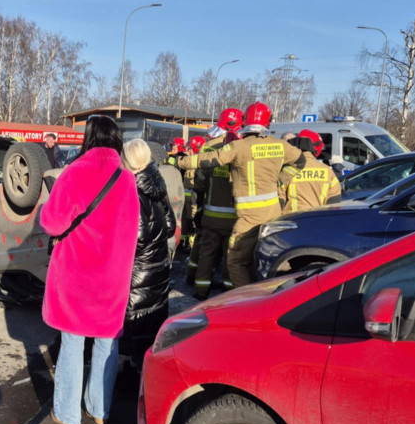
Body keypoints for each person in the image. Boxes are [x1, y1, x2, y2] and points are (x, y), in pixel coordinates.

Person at [40, 115, 139, 424]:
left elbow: (53, 223)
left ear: (88, 137)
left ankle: (68, 414)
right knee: (106, 341)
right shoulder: (126, 179)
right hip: (113, 276)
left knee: (72, 341)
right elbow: (131, 230)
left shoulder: (74, 172)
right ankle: (99, 410)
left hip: (76, 273)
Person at [199, 101, 304, 288]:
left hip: (242, 217)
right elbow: (300, 160)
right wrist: (280, 179)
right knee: (263, 259)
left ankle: (246, 299)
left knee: (234, 259)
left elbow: (201, 178)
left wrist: (178, 161)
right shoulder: (279, 146)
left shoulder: (232, 147)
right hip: (273, 214)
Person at [121, 139, 177, 368]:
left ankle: (129, 383)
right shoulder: (157, 184)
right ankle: (147, 376)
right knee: (151, 329)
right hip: (159, 268)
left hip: (137, 275)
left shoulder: (131, 191)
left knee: (132, 331)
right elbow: (171, 226)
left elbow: (134, 238)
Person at [184, 107, 243, 298]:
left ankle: (200, 290)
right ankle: (228, 291)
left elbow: (200, 182)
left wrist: (198, 210)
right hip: (236, 217)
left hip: (210, 214)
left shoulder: (209, 147)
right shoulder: (244, 148)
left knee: (206, 255)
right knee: (230, 257)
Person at [278, 129, 341, 213]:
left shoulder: (287, 169)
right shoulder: (327, 171)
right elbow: (334, 202)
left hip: (292, 220)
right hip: (316, 220)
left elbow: (278, 201)